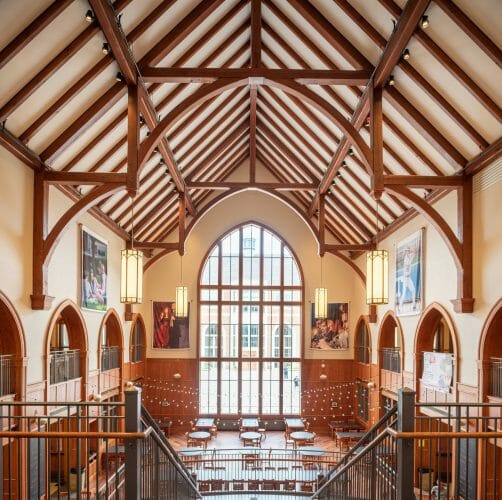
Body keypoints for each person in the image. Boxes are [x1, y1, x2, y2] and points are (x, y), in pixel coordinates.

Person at [398, 246, 417, 311]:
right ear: (405, 252)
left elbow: (414, 252)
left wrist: (410, 249)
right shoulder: (406, 258)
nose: (407, 251)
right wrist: (407, 274)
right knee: (404, 293)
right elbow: (407, 267)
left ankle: (414, 305)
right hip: (406, 278)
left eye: (407, 250)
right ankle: (400, 306)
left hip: (408, 278)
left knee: (413, 290)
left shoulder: (409, 256)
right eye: (406, 251)